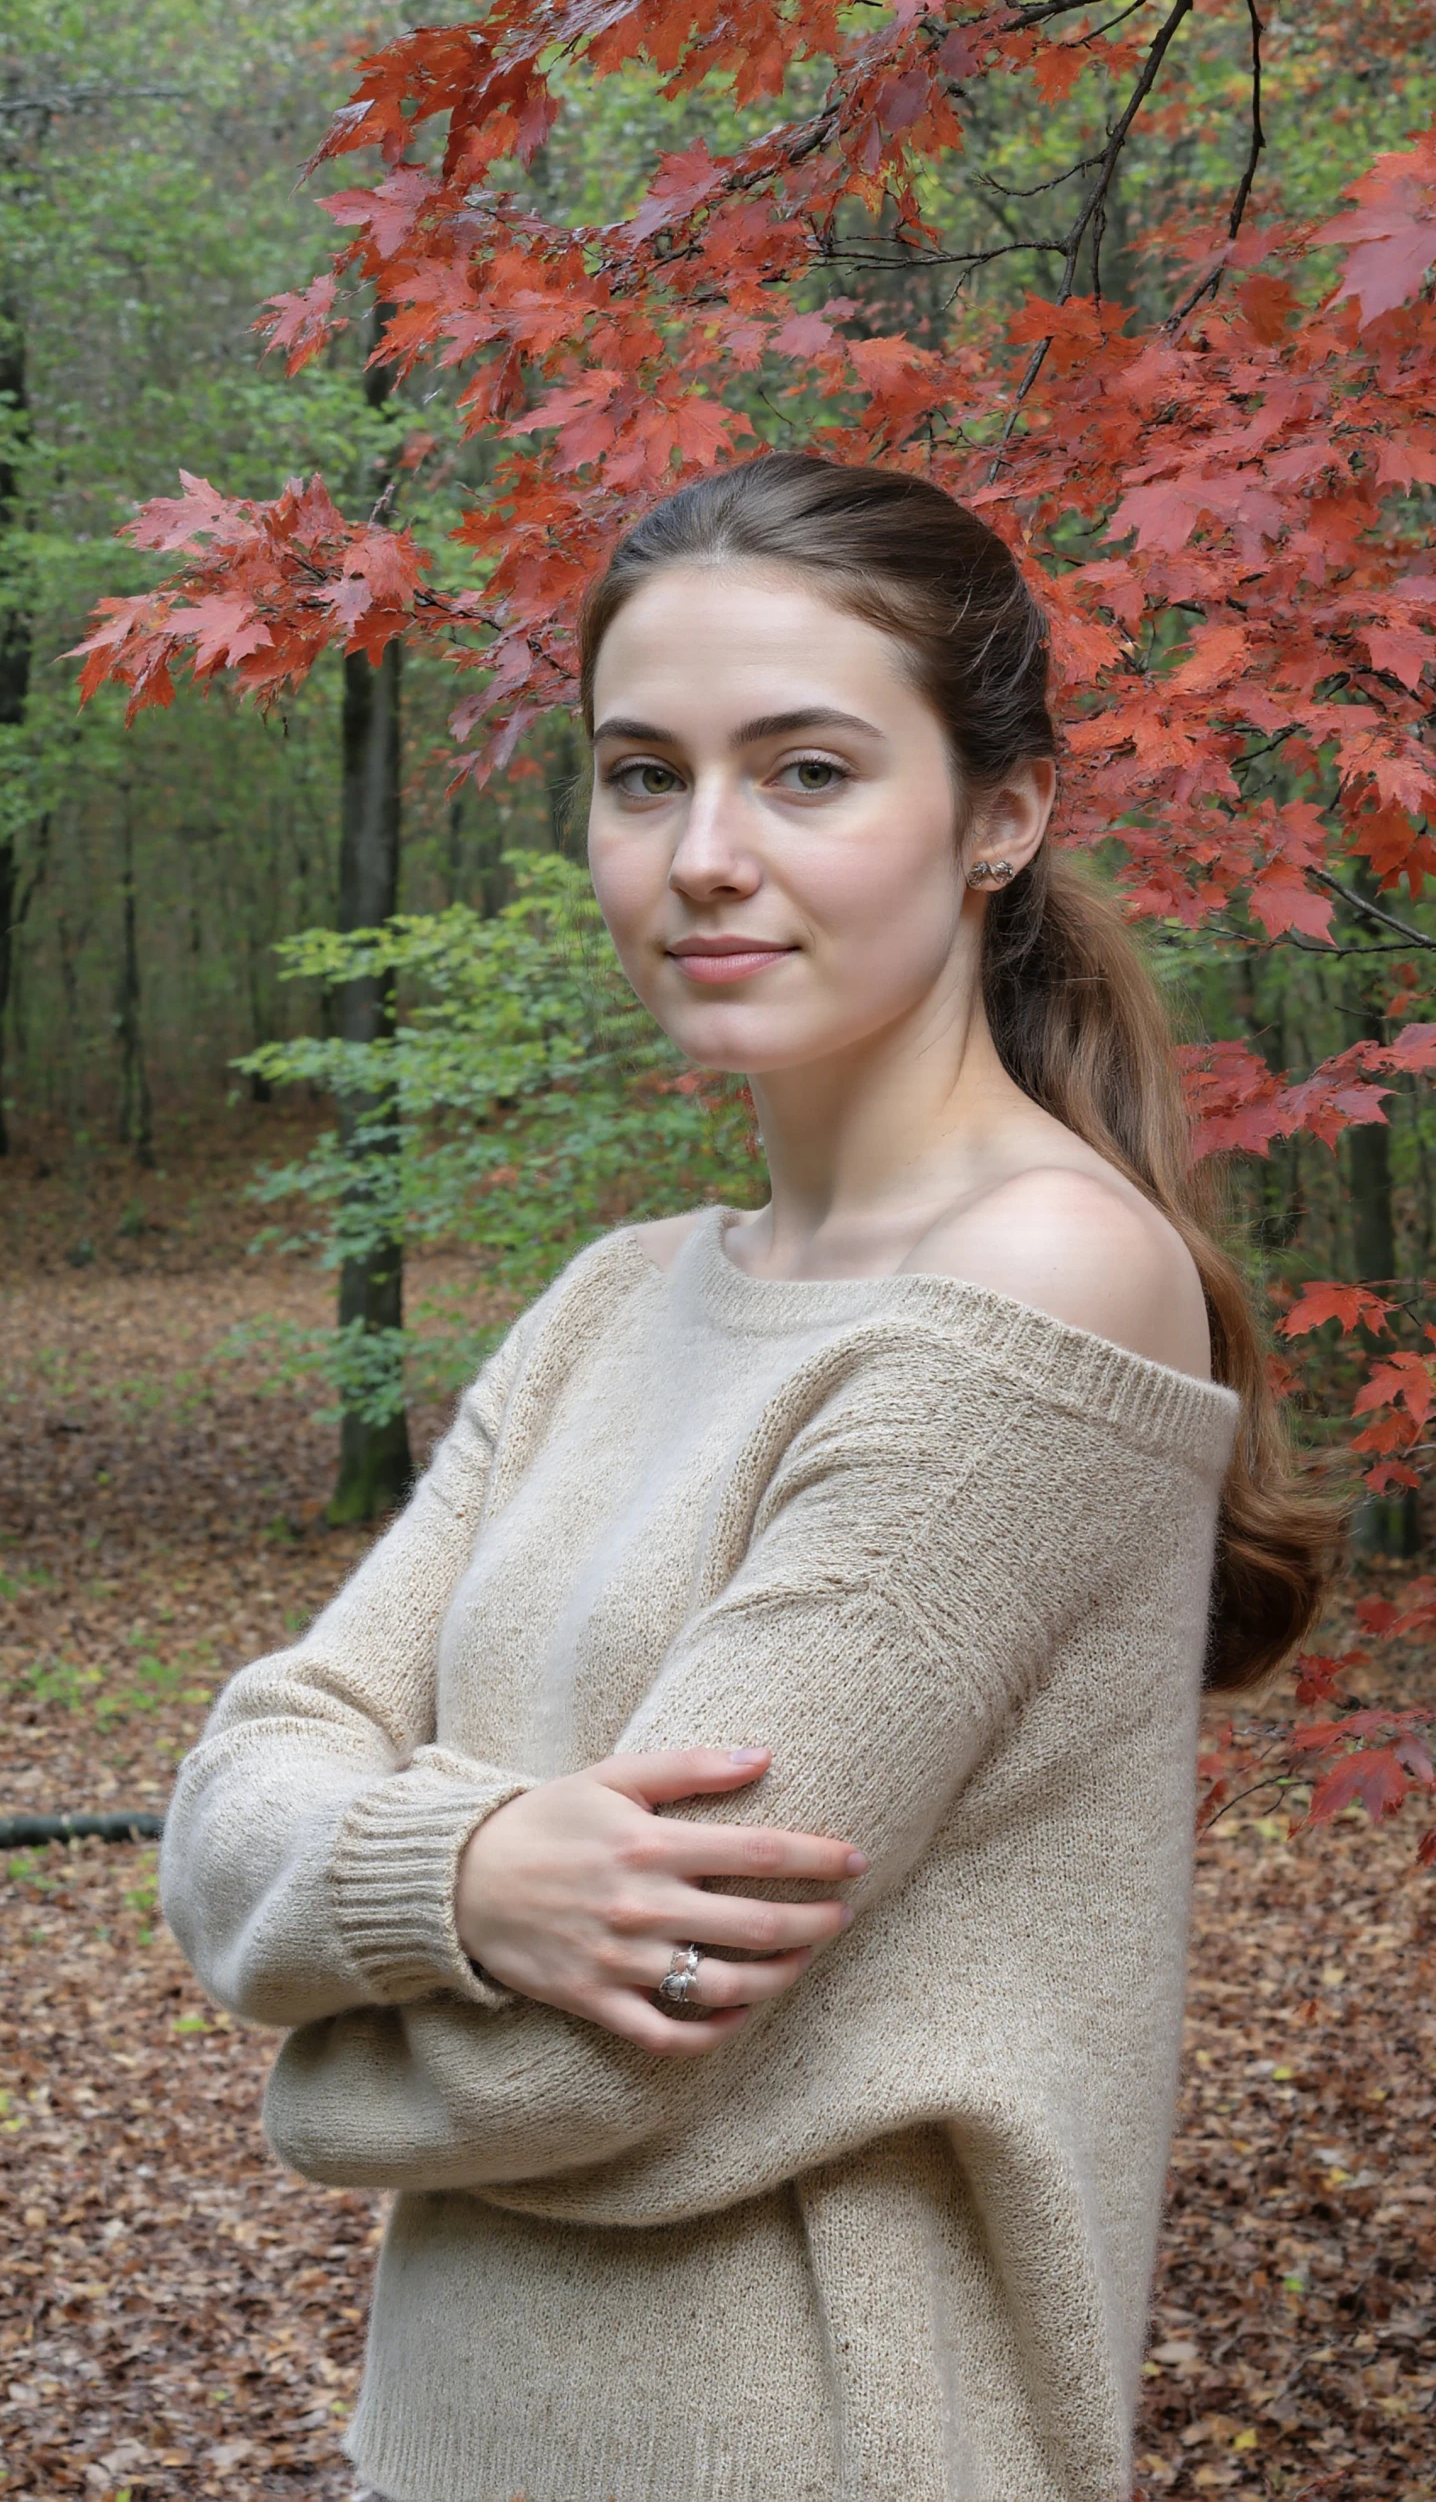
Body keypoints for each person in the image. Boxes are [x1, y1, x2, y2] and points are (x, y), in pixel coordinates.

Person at [162, 452, 1334, 2502]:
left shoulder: (1043, 1287)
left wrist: (313, 2002)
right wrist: (464, 1872)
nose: (701, 853)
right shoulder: (619, 1299)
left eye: (803, 771)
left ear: (1000, 813)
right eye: (640, 774)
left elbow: (581, 2051)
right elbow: (244, 1771)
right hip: (452, 2437)